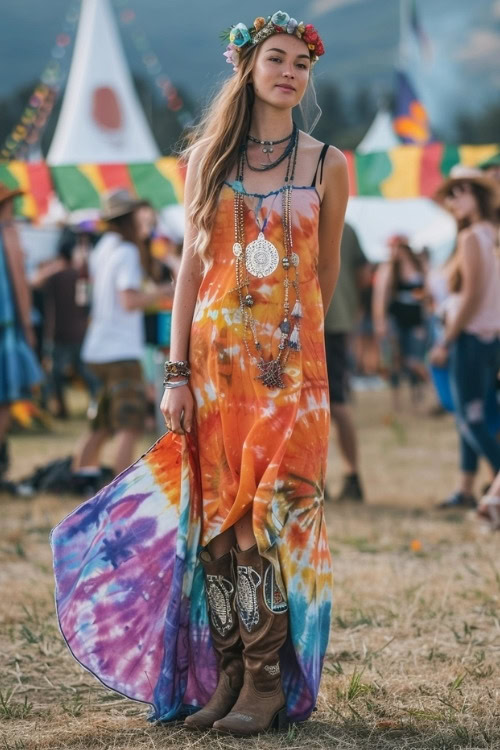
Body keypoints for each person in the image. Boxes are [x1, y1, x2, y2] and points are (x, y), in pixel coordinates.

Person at [52, 12, 348, 736]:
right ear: (247, 67)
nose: (289, 72)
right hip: (211, 372)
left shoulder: (326, 164)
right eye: (275, 58)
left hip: (287, 375)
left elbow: (325, 270)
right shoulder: (208, 157)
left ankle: (269, 684)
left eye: (300, 64)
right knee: (216, 531)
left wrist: (290, 344)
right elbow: (191, 269)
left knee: (261, 526)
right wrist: (176, 372)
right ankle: (231, 678)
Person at [71, 188, 173, 485]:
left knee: (102, 423)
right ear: (128, 219)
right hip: (119, 350)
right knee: (130, 424)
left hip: (97, 347)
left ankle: (81, 475)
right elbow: (129, 301)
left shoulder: (103, 246)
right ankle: (119, 487)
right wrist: (164, 293)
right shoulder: (127, 251)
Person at [430, 166, 500, 508]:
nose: (454, 200)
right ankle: (468, 490)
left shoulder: (472, 238)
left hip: (469, 339)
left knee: (469, 421)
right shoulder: (492, 234)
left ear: (479, 195)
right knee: (474, 417)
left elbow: (472, 297)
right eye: (451, 193)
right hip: (489, 341)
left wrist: (446, 340)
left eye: (462, 192)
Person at [0, 183, 42, 490]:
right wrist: (28, 328)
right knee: (5, 403)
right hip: (7, 330)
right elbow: (19, 283)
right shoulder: (9, 233)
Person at [33, 228, 99, 419]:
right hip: (69, 334)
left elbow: (35, 282)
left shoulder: (71, 274)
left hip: (65, 335)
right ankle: (59, 409)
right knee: (69, 376)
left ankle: (56, 409)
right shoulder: (74, 274)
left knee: (59, 377)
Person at [324, 222, 369, 501]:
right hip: (337, 321)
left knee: (330, 404)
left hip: (316, 323)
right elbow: (363, 275)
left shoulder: (291, 210)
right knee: (336, 403)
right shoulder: (347, 227)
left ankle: (324, 479)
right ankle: (351, 477)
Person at [373, 234, 429, 410]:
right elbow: (380, 297)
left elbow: (428, 292)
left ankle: (417, 399)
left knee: (415, 360)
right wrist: (380, 322)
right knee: (395, 361)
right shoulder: (389, 268)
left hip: (416, 321)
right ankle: (397, 402)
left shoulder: (419, 266)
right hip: (396, 320)